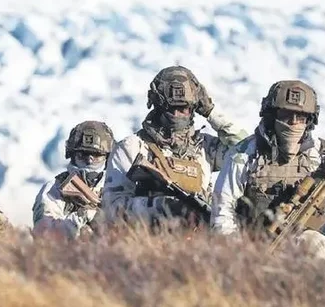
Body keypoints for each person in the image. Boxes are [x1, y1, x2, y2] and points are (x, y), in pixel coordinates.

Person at [210, 80, 325, 261]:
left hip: (312, 249)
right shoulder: (244, 154)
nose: (294, 123)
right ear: (271, 116)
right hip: (257, 247)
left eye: (301, 117)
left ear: (310, 121)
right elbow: (222, 212)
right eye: (286, 116)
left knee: (316, 244)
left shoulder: (324, 155)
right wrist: (239, 254)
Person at [102, 65, 248, 230]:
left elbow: (246, 150)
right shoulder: (132, 147)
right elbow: (112, 209)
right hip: (147, 243)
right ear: (158, 106)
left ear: (194, 108)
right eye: (172, 108)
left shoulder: (206, 147)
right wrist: (160, 206)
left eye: (184, 108)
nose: (178, 115)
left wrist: (211, 112)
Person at [32, 120, 114, 239]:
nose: (89, 160)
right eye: (82, 155)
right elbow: (44, 235)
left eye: (96, 155)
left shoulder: (116, 187)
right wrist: (83, 216)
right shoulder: (54, 189)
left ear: (107, 157)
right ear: (72, 155)